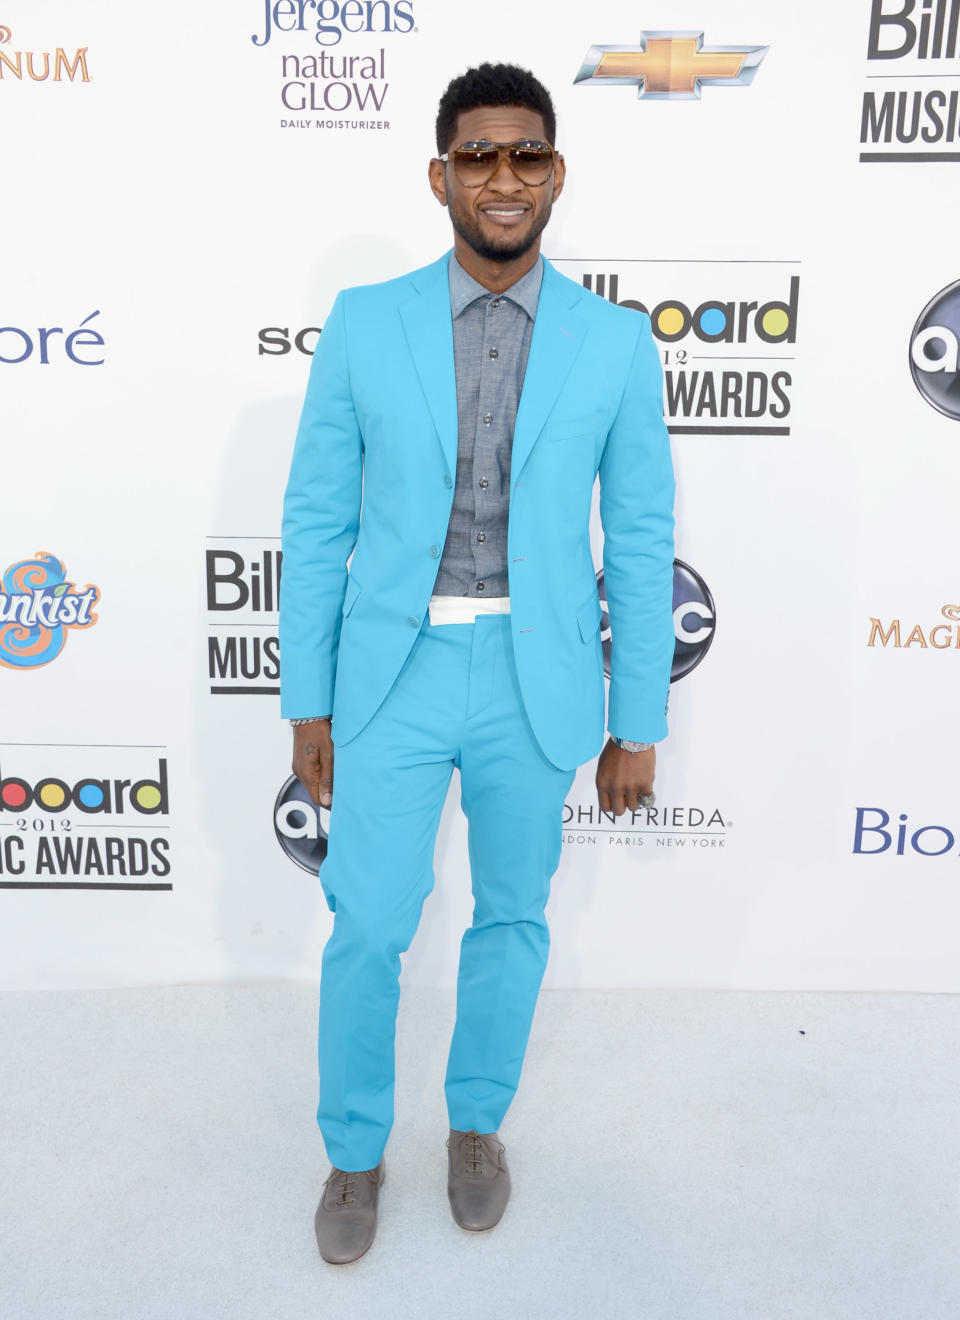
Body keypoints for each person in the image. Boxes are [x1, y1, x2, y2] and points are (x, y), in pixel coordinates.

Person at [279, 62, 676, 1264]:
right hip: (391, 677)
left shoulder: (614, 344)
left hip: (534, 676)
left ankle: (475, 1126)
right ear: (441, 173)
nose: (505, 178)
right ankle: (355, 1150)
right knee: (366, 924)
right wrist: (310, 702)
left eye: (528, 156)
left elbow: (644, 538)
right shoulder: (366, 320)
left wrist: (638, 718)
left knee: (510, 917)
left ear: (556, 174)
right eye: (481, 156)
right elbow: (314, 523)